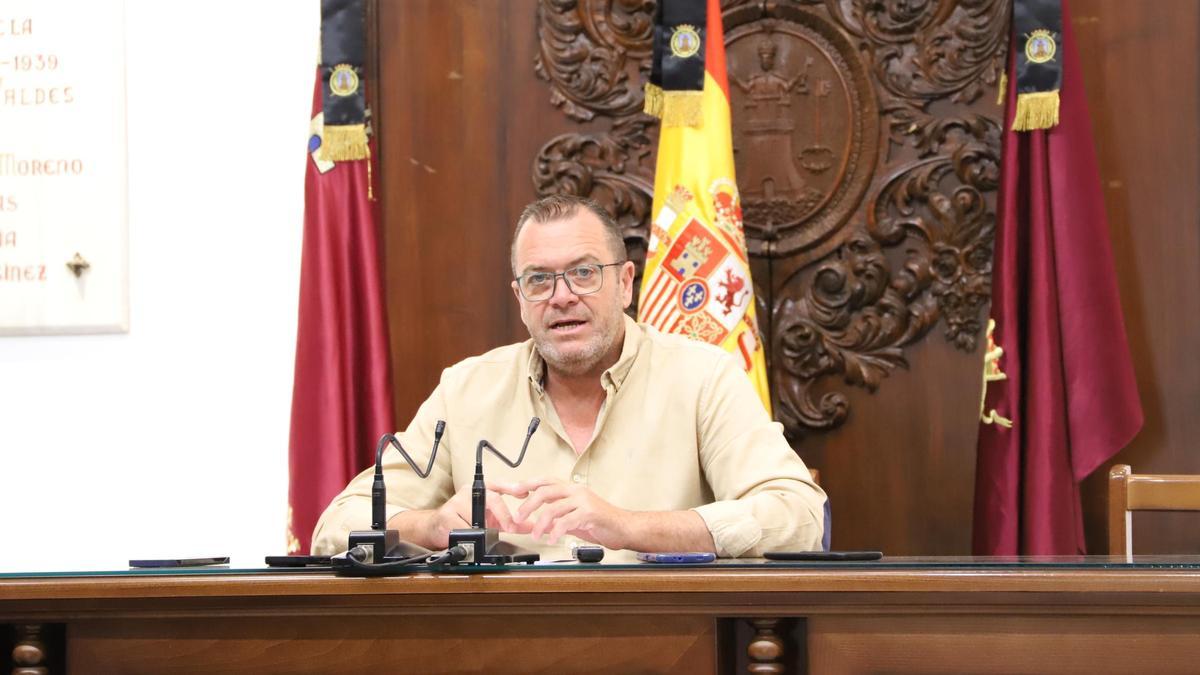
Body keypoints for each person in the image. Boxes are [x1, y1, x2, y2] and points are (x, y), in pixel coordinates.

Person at [311, 195, 826, 560]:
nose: (561, 297)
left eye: (583, 273)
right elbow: (337, 525)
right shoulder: (466, 389)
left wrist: (628, 527)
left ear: (624, 283)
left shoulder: (702, 377)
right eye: (539, 279)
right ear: (521, 300)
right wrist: (430, 525)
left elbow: (798, 516)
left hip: (668, 649)